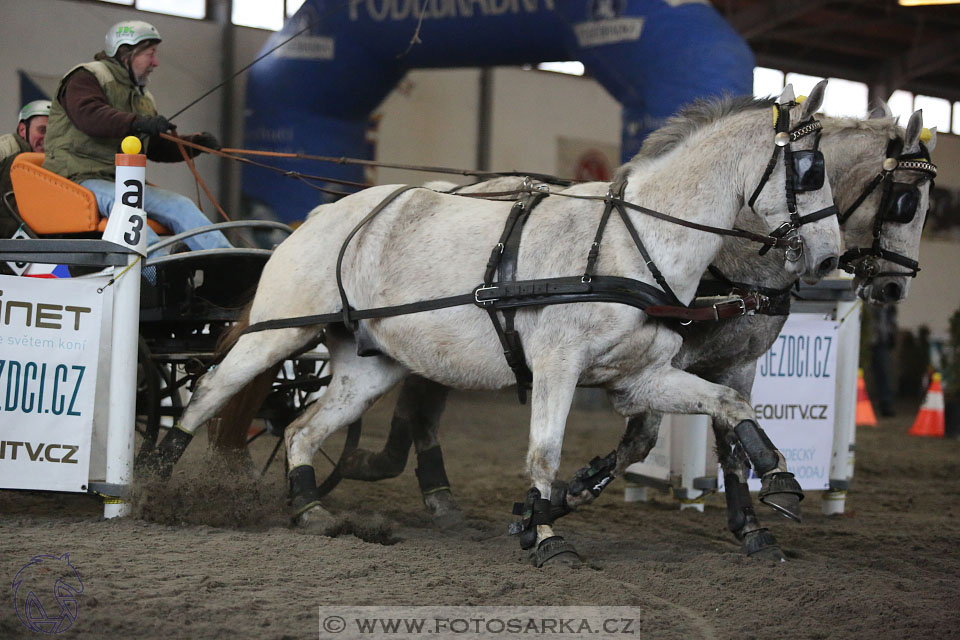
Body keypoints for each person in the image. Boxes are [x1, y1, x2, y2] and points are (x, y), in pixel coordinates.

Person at [42, 20, 231, 252]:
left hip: (120, 182)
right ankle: (158, 266)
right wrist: (138, 123)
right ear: (126, 53)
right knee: (128, 207)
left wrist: (193, 144)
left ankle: (228, 262)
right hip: (75, 178)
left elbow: (154, 147)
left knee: (181, 205)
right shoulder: (86, 77)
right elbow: (90, 116)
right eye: (150, 54)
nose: (155, 63)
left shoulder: (143, 97)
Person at [1, 100, 50, 237]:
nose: (47, 138)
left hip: (32, 240)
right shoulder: (6, 149)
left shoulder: (57, 158)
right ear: (22, 130)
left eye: (53, 132)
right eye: (42, 130)